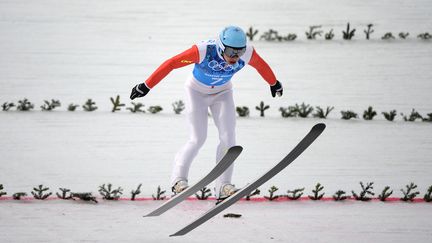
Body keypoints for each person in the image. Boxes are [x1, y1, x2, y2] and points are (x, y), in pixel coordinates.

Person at [130, 26, 283, 200]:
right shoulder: (202, 51)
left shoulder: (247, 53)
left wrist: (274, 83)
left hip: (223, 93)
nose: (235, 57)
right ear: (220, 46)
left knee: (229, 139)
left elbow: (261, 66)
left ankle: (224, 186)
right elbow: (172, 63)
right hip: (196, 92)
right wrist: (146, 85)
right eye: (231, 51)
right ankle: (178, 180)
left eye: (239, 52)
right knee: (198, 138)